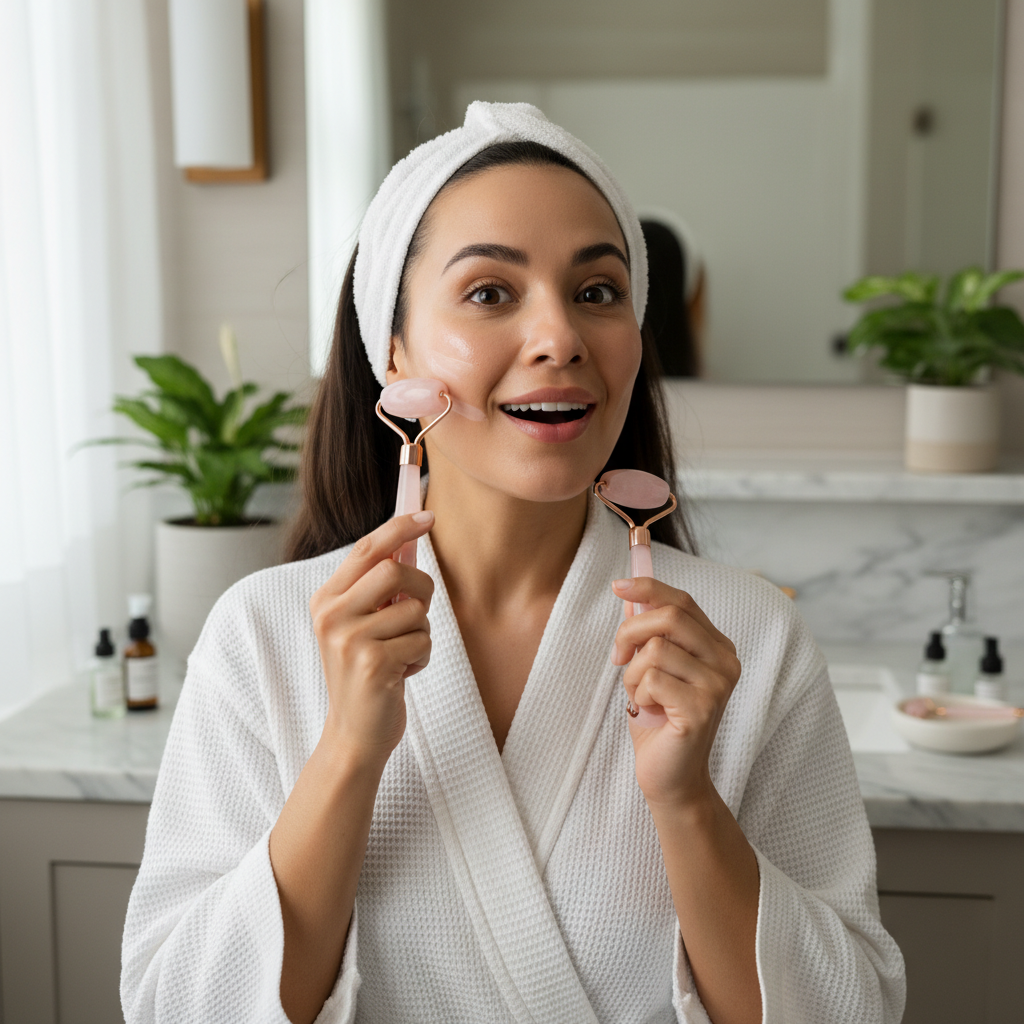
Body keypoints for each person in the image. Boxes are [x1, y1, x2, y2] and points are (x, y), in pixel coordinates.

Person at [121, 103, 905, 1024]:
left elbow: (851, 1012)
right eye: (490, 292)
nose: (560, 338)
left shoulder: (749, 640)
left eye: (598, 292)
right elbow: (177, 1007)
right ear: (394, 350)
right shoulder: (263, 634)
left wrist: (687, 803)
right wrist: (346, 756)